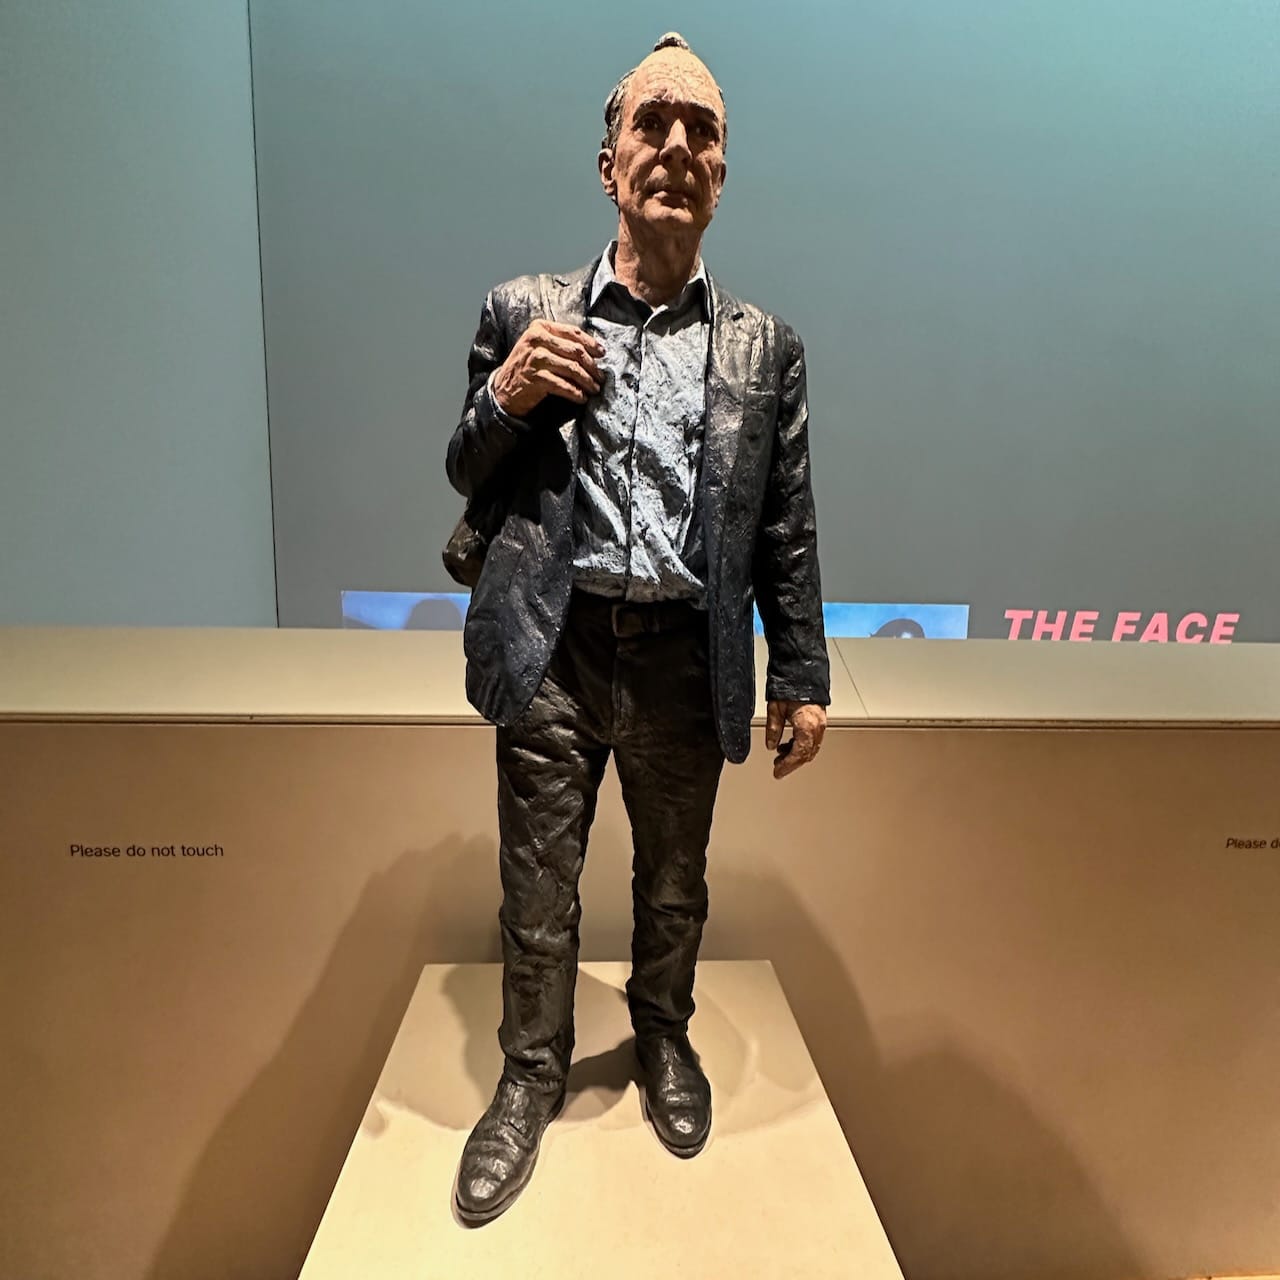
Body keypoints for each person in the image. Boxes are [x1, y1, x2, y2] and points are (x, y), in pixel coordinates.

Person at [446, 32, 829, 1224]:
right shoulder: (525, 310)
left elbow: (784, 522)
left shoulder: (761, 348)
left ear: (722, 170)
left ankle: (663, 1035)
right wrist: (507, 393)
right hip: (554, 645)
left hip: (679, 657)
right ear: (607, 163)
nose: (674, 145)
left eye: (699, 129)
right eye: (650, 124)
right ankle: (529, 1072)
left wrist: (801, 671)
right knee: (537, 888)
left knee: (672, 883)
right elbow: (464, 465)